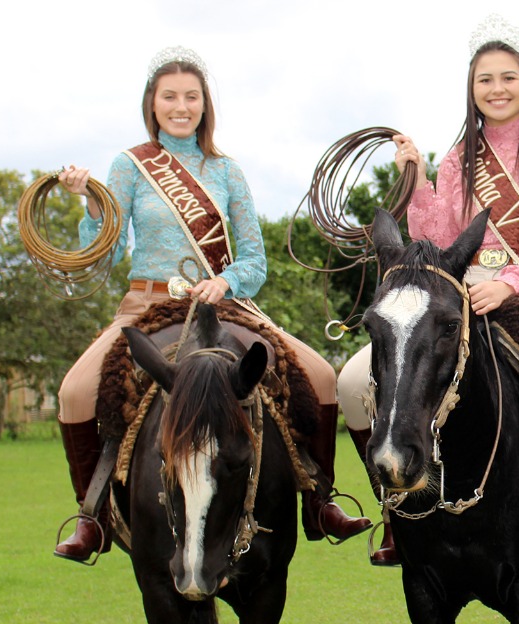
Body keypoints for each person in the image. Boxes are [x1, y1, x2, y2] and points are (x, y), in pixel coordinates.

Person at [338, 14, 519, 579]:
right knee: (353, 383)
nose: (496, 89)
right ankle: (397, 508)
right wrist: (417, 179)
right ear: (471, 90)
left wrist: (513, 283)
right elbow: (442, 237)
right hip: (464, 295)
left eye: (507, 78)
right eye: (484, 80)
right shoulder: (456, 158)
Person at [53, 46, 370, 563]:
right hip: (148, 304)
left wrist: (224, 282)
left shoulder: (226, 170)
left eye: (191, 97)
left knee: (322, 375)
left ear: (205, 105)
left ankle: (320, 501)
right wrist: (91, 205)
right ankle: (91, 519)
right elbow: (104, 252)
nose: (181, 106)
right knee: (73, 394)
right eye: (170, 96)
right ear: (152, 105)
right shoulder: (129, 166)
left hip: (222, 306)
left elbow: (255, 261)